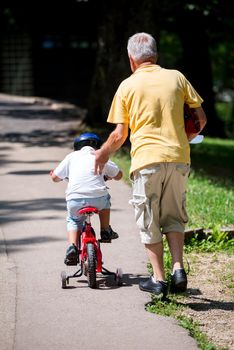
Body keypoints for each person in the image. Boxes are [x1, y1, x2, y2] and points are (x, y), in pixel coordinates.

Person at [94, 32, 207, 297]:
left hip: (147, 161)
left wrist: (101, 155)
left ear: (132, 59)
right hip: (179, 158)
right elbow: (200, 118)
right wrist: (185, 137)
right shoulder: (177, 77)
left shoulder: (127, 86)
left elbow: (120, 135)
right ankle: (178, 269)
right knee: (174, 216)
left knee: (149, 219)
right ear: (155, 55)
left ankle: (158, 279)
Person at [50, 132, 123, 265]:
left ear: (77, 146)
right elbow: (119, 175)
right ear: (97, 146)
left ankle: (72, 246)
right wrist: (110, 175)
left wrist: (54, 175)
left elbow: (55, 178)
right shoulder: (100, 155)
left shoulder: (71, 157)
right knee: (106, 200)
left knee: (73, 219)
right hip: (98, 198)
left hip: (75, 200)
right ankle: (105, 230)